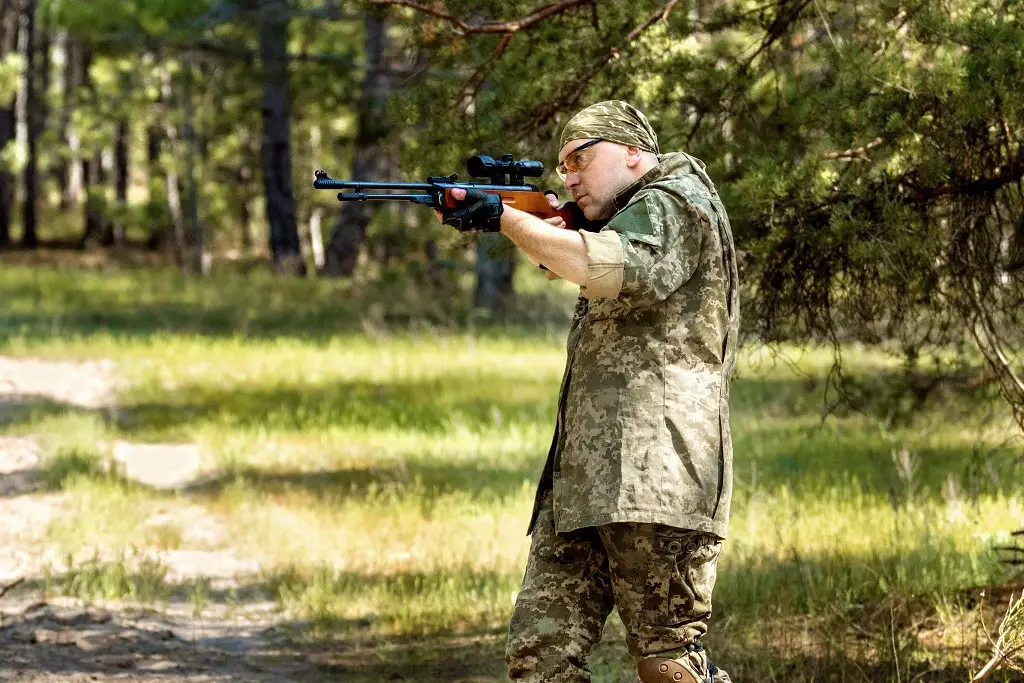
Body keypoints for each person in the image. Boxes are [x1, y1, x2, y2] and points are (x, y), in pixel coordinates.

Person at [441, 101, 739, 683]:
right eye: (562, 166)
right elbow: (581, 258)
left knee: (666, 660)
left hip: (656, 476)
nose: (569, 176)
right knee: (539, 655)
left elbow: (607, 268)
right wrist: (516, 222)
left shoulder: (676, 201)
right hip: (583, 478)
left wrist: (506, 219)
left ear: (634, 152)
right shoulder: (626, 215)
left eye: (582, 158)